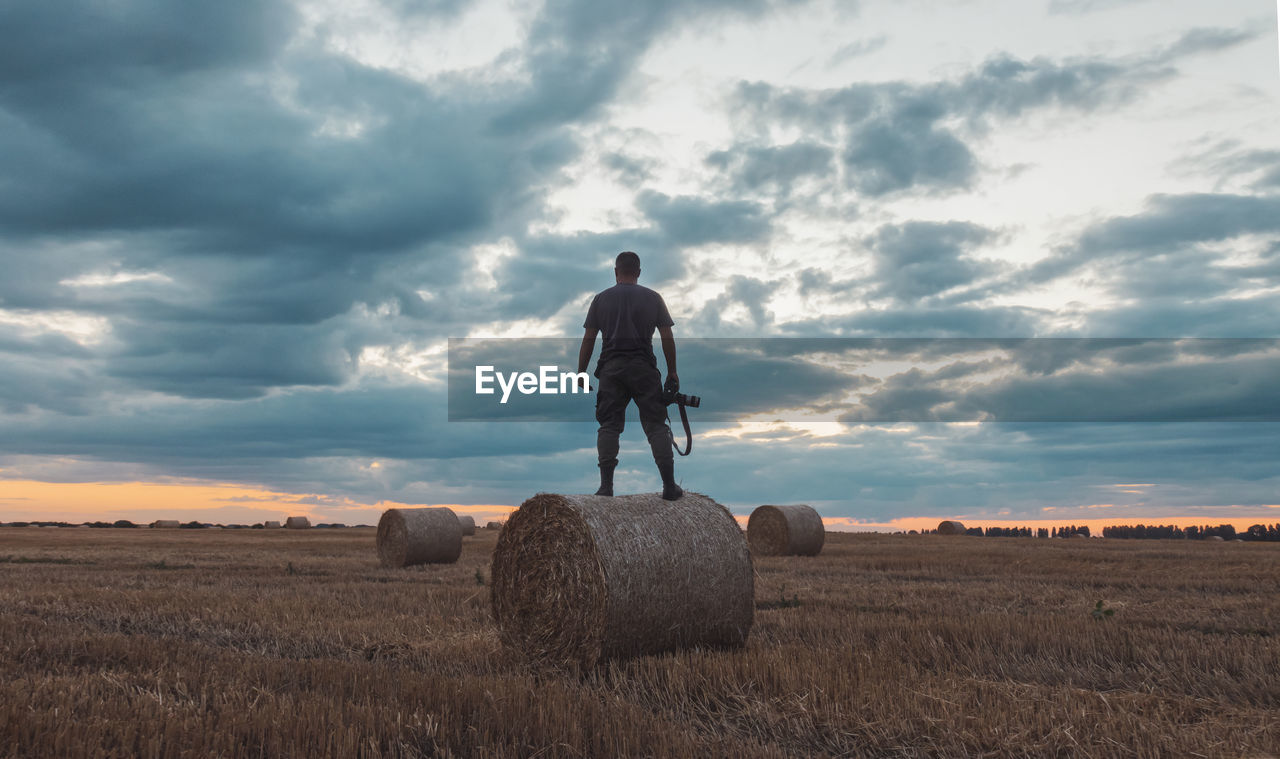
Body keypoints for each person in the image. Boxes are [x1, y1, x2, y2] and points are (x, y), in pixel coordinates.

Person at [577, 251, 683, 500]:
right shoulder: (654, 298)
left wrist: (581, 372)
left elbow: (589, 339)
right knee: (656, 425)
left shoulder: (600, 299)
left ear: (616, 272)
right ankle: (669, 486)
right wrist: (672, 371)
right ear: (638, 272)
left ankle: (606, 487)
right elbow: (667, 337)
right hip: (644, 368)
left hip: (611, 370)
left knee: (609, 426)